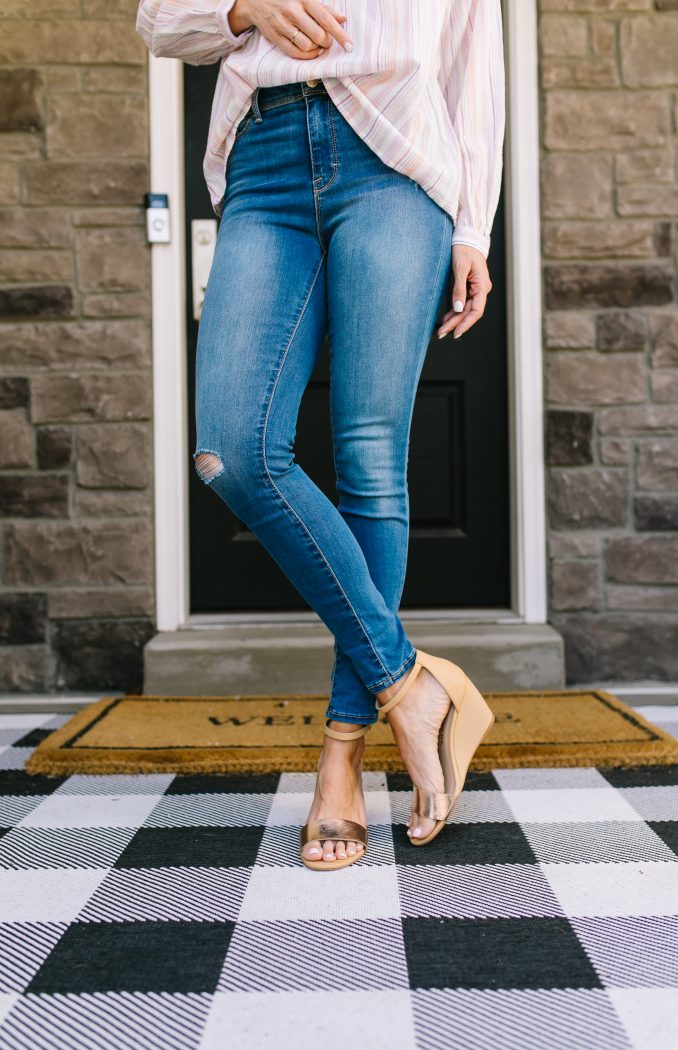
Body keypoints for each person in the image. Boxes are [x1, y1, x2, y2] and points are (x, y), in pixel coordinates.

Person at [136, 0, 506, 871]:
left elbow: (471, 60)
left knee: (370, 459)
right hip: (263, 158)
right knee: (233, 449)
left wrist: (473, 226)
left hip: (394, 160)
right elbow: (157, 20)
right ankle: (410, 686)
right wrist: (241, 7)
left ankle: (341, 754)